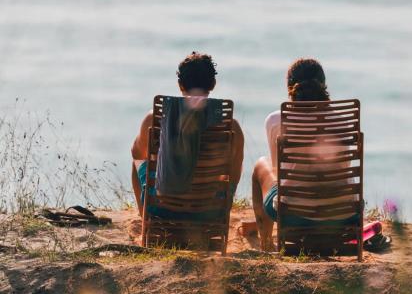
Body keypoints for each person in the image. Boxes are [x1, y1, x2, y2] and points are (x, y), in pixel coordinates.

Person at [252, 58, 352, 251]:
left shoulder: (275, 120)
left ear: (290, 87)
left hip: (293, 214)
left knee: (261, 165)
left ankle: (266, 243)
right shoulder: (343, 121)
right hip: (340, 212)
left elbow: (277, 171)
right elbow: (345, 169)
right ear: (324, 86)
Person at [131, 52, 244, 215]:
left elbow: (137, 153)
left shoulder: (154, 118)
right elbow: (234, 169)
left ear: (180, 85)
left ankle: (145, 217)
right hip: (208, 209)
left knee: (137, 161)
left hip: (162, 208)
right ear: (213, 84)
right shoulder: (231, 126)